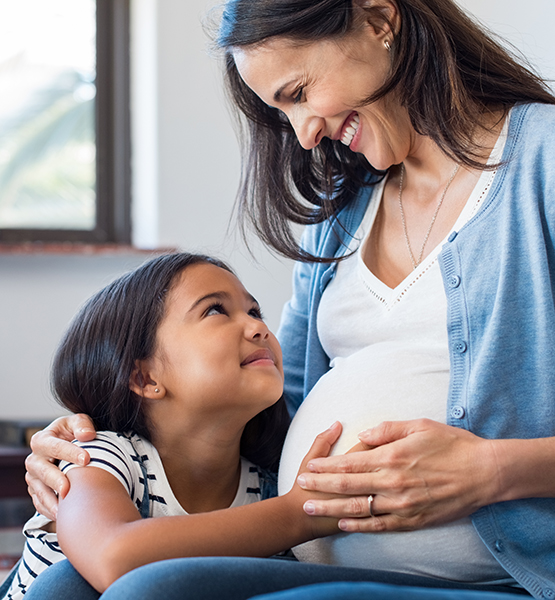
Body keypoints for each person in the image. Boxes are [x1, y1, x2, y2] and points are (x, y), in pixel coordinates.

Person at [22, 0, 555, 598]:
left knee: (149, 591)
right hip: (316, 556)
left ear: (379, 20)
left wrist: (493, 471)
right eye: (283, 110)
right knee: (60, 586)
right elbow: (281, 405)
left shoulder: (544, 160)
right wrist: (86, 447)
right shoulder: (340, 214)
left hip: (497, 575)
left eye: (299, 91)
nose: (304, 136)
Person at [2, 252, 350, 600]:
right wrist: (298, 515)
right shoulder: (99, 458)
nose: (259, 327)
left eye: (255, 311)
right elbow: (113, 557)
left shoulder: (268, 485)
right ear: (145, 377)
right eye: (216, 310)